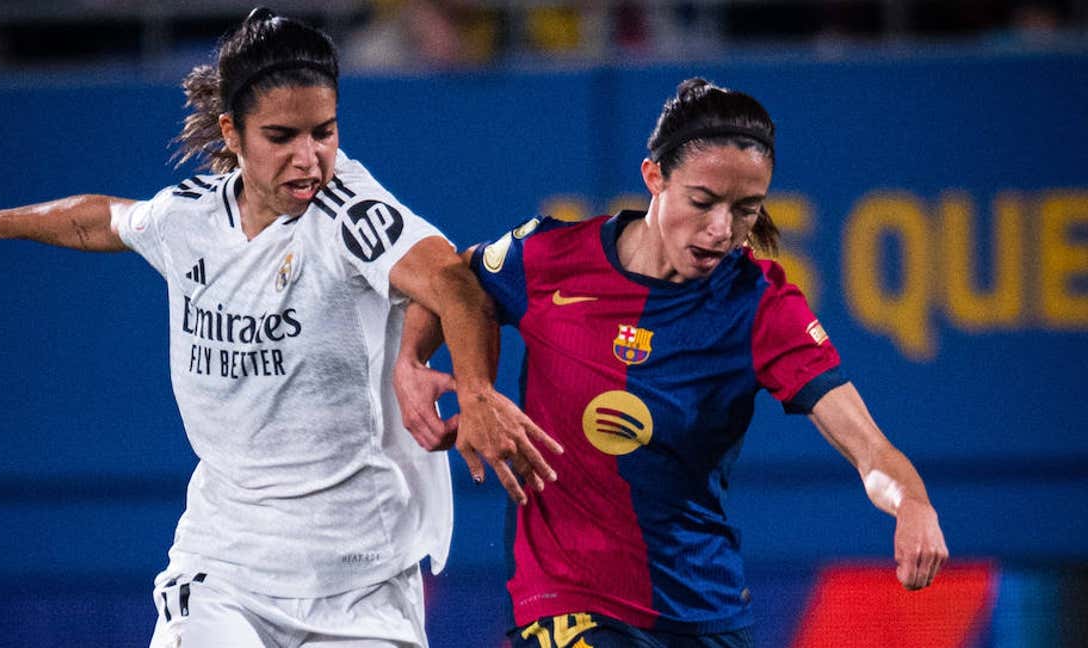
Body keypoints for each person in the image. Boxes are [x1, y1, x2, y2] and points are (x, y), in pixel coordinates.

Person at [0, 8, 560, 647]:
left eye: (323, 132)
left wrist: (476, 392)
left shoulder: (350, 213)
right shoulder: (188, 217)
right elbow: (100, 219)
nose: (308, 159)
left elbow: (455, 283)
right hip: (227, 566)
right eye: (282, 137)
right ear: (232, 133)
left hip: (361, 578)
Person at [394, 78, 949, 647]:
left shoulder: (762, 306)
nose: (721, 230)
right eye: (703, 202)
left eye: (745, 211)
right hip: (567, 601)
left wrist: (912, 503)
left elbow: (871, 451)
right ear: (654, 176)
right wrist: (433, 368)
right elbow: (454, 279)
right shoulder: (550, 256)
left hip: (704, 614)